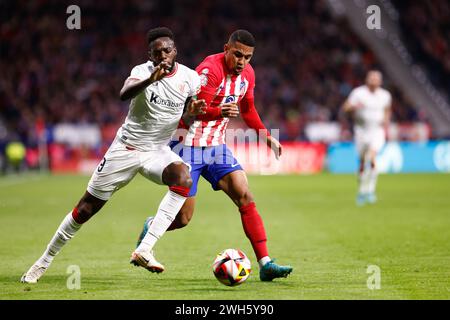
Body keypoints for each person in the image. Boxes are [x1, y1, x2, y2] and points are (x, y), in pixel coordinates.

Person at [21, 27, 206, 283]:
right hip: (126, 149)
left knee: (183, 177)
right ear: (149, 55)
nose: (162, 55)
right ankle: (43, 262)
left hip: (156, 151)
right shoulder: (141, 72)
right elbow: (124, 94)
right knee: (85, 209)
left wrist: (192, 114)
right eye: (156, 52)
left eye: (167, 50)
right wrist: (151, 79)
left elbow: (184, 120)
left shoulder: (191, 78)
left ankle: (144, 249)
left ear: (175, 51)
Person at [137, 30, 293, 281]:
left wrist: (266, 137)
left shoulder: (247, 75)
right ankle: (151, 225)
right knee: (184, 218)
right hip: (186, 145)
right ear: (227, 49)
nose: (242, 61)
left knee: (245, 194)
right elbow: (193, 110)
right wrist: (219, 111)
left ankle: (265, 263)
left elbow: (248, 109)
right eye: (238, 54)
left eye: (248, 57)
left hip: (216, 147)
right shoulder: (211, 70)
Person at [342, 70, 392, 205]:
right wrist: (352, 107)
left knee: (372, 157)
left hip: (377, 131)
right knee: (362, 162)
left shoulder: (385, 95)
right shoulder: (358, 93)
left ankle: (370, 190)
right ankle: (361, 190)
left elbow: (387, 109)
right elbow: (345, 107)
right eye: (372, 78)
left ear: (380, 81)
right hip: (361, 131)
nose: (374, 81)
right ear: (367, 80)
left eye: (377, 79)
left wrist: (386, 120)